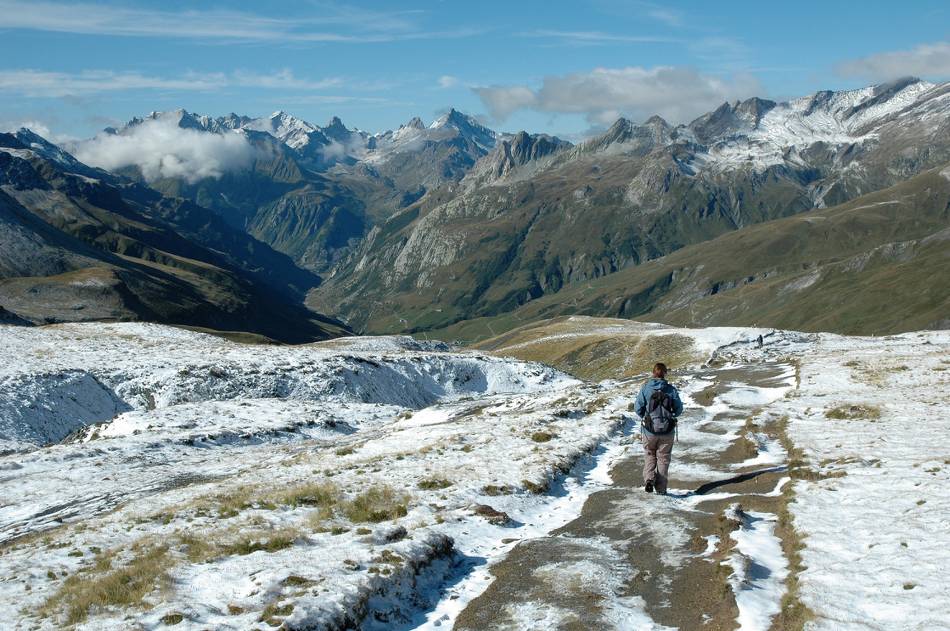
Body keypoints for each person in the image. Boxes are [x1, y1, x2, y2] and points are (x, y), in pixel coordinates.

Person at [634, 362, 684, 494]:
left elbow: (637, 408)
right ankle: (661, 489)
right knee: (664, 458)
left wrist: (646, 417)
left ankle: (649, 479)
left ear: (653, 373)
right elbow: (679, 409)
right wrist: (671, 416)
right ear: (665, 373)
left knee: (650, 455)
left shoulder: (645, 388)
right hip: (667, 431)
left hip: (649, 430)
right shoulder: (671, 389)